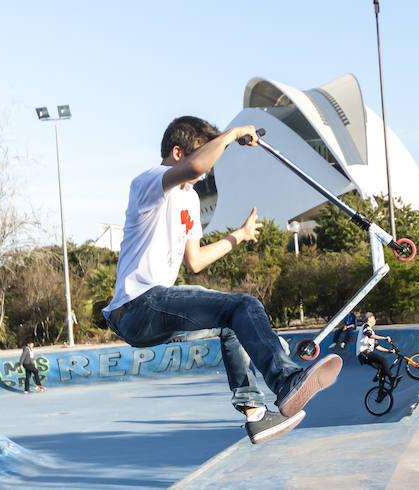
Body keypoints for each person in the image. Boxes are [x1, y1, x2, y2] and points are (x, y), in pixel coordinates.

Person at [102, 116, 342, 445]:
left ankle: (255, 415)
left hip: (154, 310)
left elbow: (195, 261)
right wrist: (231, 134)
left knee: (233, 323)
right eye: (201, 164)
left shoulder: (188, 199)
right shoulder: (150, 181)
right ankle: (286, 380)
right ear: (177, 153)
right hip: (136, 306)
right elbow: (196, 164)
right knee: (242, 304)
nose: (206, 173)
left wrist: (239, 236)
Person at [355, 312, 402, 386]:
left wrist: (389, 351)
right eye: (373, 318)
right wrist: (384, 338)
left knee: (382, 369)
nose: (375, 320)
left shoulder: (371, 331)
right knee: (383, 360)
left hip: (365, 355)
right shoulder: (366, 326)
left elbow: (376, 346)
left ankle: (381, 391)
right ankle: (391, 378)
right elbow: (370, 335)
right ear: (369, 319)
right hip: (363, 354)